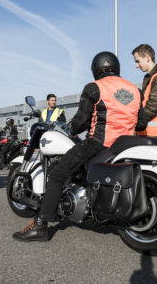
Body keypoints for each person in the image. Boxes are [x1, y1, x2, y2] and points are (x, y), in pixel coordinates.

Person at [12, 51, 141, 241]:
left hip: (98, 143)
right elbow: (142, 122)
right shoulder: (135, 90)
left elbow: (80, 121)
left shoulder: (94, 87)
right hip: (125, 145)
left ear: (96, 69)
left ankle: (40, 225)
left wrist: (71, 127)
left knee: (56, 175)